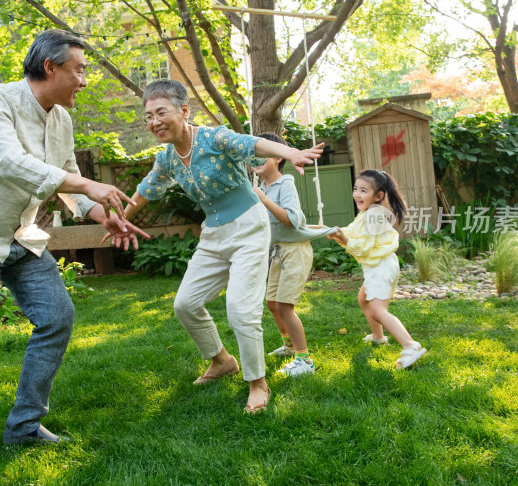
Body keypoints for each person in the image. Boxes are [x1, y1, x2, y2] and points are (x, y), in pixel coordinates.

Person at [0, 29, 148, 446]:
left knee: (57, 318)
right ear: (51, 67)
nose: (84, 80)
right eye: (79, 70)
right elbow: (11, 163)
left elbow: (66, 182)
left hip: (20, 236)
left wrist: (103, 216)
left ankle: (24, 426)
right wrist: (87, 187)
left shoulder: (61, 118)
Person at [118, 79, 324, 413]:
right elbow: (145, 190)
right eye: (148, 116)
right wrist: (122, 219)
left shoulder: (213, 138)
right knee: (186, 304)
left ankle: (258, 383)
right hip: (213, 234)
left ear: (184, 111)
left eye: (160, 112)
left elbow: (251, 143)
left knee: (240, 310)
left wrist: (290, 153)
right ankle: (222, 360)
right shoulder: (167, 159)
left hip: (248, 227)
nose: (153, 122)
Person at [327, 169, 427, 370]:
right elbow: (353, 232)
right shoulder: (367, 213)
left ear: (379, 196)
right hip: (379, 265)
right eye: (356, 189)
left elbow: (362, 247)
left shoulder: (375, 216)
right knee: (364, 299)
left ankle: (410, 346)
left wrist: (343, 238)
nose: (357, 194)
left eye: (364, 190)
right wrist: (338, 233)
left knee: (377, 310)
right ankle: (378, 337)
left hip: (380, 267)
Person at [253, 133, 334, 377]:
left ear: (278, 157)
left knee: (286, 307)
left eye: (262, 153)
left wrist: (263, 199)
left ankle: (304, 360)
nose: (255, 158)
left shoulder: (284, 183)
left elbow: (293, 220)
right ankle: (289, 347)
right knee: (272, 304)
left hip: (295, 252)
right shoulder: (262, 186)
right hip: (278, 252)